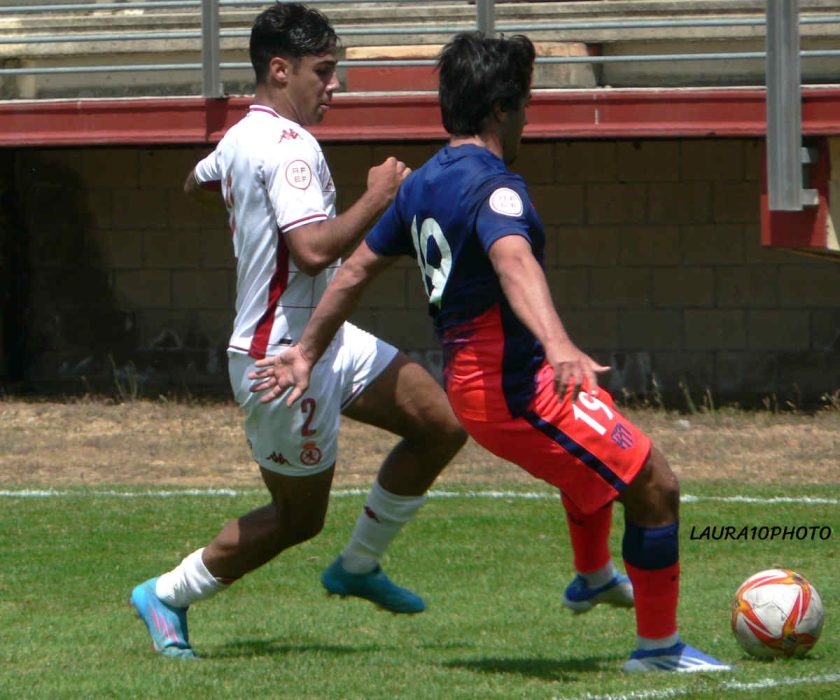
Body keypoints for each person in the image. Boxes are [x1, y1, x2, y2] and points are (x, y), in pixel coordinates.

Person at [249, 32, 732, 673]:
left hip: (484, 385)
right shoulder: (494, 187)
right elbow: (512, 260)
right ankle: (659, 650)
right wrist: (558, 343)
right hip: (512, 390)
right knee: (655, 485)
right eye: (527, 102)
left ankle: (591, 574)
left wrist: (308, 349)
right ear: (504, 108)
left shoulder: (424, 183)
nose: (530, 114)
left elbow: (355, 271)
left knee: (597, 435)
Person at [129, 2, 466, 659]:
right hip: (281, 357)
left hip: (326, 337)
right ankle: (167, 594)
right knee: (297, 519)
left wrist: (242, 215)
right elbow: (313, 251)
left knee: (441, 422)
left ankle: (360, 564)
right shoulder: (291, 147)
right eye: (325, 71)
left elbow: (194, 181)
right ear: (279, 70)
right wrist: (378, 196)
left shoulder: (238, 135)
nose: (333, 86)